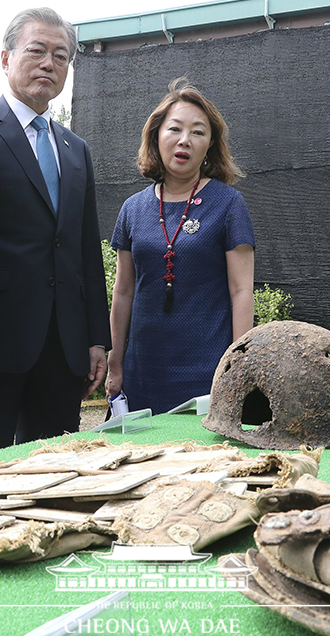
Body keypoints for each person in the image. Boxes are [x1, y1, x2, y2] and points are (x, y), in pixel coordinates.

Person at [0, 8, 110, 456]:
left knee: (52, 474)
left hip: (62, 346)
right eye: (36, 51)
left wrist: (97, 338)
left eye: (61, 56)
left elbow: (84, 250)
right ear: (5, 57)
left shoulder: (77, 150)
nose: (49, 64)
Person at [106, 79, 255, 415]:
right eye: (175, 128)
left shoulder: (229, 204)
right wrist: (115, 361)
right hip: (142, 371)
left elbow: (241, 291)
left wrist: (237, 366)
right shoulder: (133, 208)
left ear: (209, 146)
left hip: (208, 370)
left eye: (198, 132)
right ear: (157, 135)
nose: (185, 140)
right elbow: (124, 290)